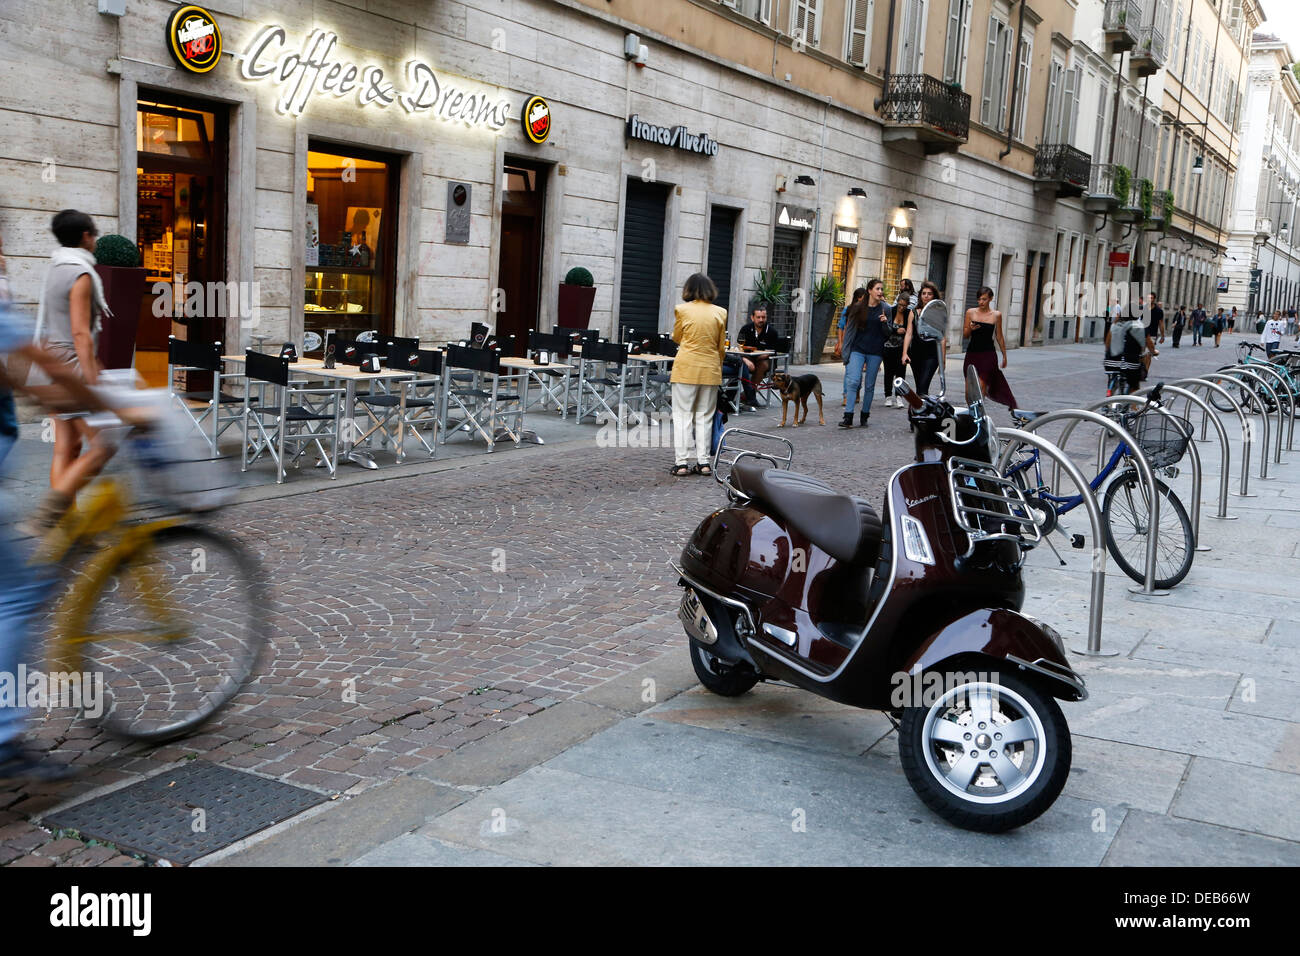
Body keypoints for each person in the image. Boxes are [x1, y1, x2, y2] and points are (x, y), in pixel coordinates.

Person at [25, 210, 114, 536]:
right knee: (104, 443)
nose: (96, 238)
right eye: (94, 233)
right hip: (71, 370)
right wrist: (92, 382)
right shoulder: (81, 274)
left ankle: (67, 525)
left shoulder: (55, 267)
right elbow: (80, 334)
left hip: (53, 364)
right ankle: (57, 511)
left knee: (68, 447)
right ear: (86, 236)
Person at [670, 273, 727, 477]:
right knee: (705, 417)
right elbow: (721, 347)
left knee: (683, 415)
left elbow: (677, 337)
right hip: (710, 369)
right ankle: (703, 462)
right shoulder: (721, 312)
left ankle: (682, 462)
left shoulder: (682, 310)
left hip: (686, 368)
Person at [835, 279, 889, 428]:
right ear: (870, 290)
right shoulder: (858, 307)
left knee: (869, 386)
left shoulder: (885, 308)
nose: (880, 292)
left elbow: (888, 334)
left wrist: (885, 323)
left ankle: (865, 415)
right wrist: (846, 353)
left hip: (875, 352)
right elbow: (850, 330)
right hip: (857, 350)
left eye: (881, 289)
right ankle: (848, 416)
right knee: (853, 381)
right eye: (878, 289)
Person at [963, 286, 1017, 408]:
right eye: (979, 299)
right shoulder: (970, 312)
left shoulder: (996, 315)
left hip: (988, 354)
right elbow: (965, 335)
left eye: (984, 299)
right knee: (968, 389)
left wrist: (1004, 355)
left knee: (981, 384)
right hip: (972, 353)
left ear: (991, 299)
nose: (981, 302)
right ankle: (973, 411)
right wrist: (970, 329)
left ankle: (978, 413)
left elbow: (999, 336)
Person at [904, 280, 947, 396]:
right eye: (924, 293)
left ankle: (920, 411)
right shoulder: (913, 312)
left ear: (934, 296)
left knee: (923, 386)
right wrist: (904, 353)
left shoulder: (938, 313)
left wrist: (943, 360)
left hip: (932, 355)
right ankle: (921, 411)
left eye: (929, 293)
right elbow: (908, 333)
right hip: (916, 354)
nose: (926, 296)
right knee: (920, 387)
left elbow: (942, 337)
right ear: (920, 295)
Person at [734, 302, 779, 408]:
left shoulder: (772, 332)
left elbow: (770, 352)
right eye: (758, 317)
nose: (761, 320)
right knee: (741, 364)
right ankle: (733, 396)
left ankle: (750, 394)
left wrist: (756, 357)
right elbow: (740, 346)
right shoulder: (745, 329)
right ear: (752, 317)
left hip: (766, 360)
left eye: (763, 317)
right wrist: (745, 358)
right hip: (748, 357)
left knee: (762, 365)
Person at [835, 286, 868, 407]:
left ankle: (857, 391)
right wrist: (840, 342)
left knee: (858, 372)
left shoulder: (867, 311)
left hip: (861, 345)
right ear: (859, 298)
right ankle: (846, 395)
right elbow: (841, 326)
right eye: (864, 298)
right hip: (850, 345)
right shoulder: (848, 310)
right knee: (849, 371)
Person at [1104, 305, 1147, 395]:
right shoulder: (1138, 327)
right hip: (1129, 363)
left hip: (1111, 362)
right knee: (1134, 382)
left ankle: (1109, 397)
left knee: (1114, 376)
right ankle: (1130, 403)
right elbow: (1142, 347)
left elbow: (1107, 344)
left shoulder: (1115, 325)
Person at [882, 285, 911, 408]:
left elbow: (910, 331)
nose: (901, 307)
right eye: (899, 304)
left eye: (904, 305)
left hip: (901, 348)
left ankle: (899, 397)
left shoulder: (909, 313)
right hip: (888, 347)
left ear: (907, 305)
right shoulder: (891, 310)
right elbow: (886, 328)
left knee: (900, 373)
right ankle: (888, 396)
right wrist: (897, 330)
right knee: (888, 372)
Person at [1142, 293, 1164, 375]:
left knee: (1148, 354)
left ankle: (1145, 372)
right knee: (1142, 354)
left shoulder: (1158, 311)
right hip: (1142, 334)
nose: (1149, 299)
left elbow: (1161, 323)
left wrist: (1162, 336)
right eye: (1148, 298)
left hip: (1152, 335)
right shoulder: (1142, 308)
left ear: (1154, 299)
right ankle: (1142, 369)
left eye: (1151, 298)